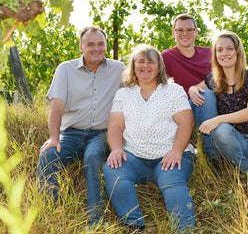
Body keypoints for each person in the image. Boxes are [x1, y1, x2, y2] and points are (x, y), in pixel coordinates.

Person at [36, 26, 125, 227]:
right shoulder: (65, 69)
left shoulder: (119, 69)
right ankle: (49, 213)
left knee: (93, 157)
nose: (96, 48)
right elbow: (57, 105)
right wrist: (53, 137)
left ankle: (96, 220)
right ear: (81, 47)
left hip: (102, 133)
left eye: (101, 44)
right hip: (71, 133)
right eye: (90, 44)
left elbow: (135, 96)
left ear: (106, 46)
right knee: (47, 157)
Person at [103, 44, 195, 232]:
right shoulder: (123, 93)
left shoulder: (174, 90)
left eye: (151, 62)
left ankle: (184, 229)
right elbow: (115, 125)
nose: (145, 66)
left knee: (170, 179)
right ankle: (133, 225)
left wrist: (177, 151)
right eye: (140, 62)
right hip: (135, 157)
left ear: (159, 66)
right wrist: (116, 149)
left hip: (171, 155)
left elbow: (186, 123)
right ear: (133, 66)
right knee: (113, 170)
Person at [188, 31, 248, 213]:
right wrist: (191, 89)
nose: (224, 53)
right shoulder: (214, 80)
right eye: (219, 50)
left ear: (238, 52)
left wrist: (217, 119)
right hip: (234, 140)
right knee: (221, 131)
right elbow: (197, 88)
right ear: (215, 55)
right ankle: (245, 170)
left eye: (229, 49)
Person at [161, 13, 220, 164]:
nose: (185, 34)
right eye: (180, 30)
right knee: (205, 95)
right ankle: (213, 156)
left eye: (189, 30)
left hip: (217, 107)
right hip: (187, 111)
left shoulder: (209, 53)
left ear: (196, 32)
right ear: (174, 33)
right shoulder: (166, 57)